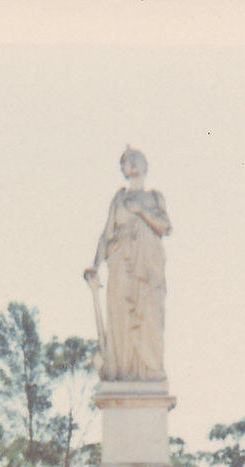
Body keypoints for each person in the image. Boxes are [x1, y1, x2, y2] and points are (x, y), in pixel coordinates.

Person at [84, 147, 171, 381]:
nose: (128, 165)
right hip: (121, 264)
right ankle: (122, 373)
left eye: (132, 161)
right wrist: (95, 267)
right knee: (121, 320)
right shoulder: (119, 198)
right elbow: (105, 234)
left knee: (150, 318)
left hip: (149, 267)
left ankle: (150, 372)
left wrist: (141, 210)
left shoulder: (154, 197)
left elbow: (165, 226)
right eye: (125, 163)